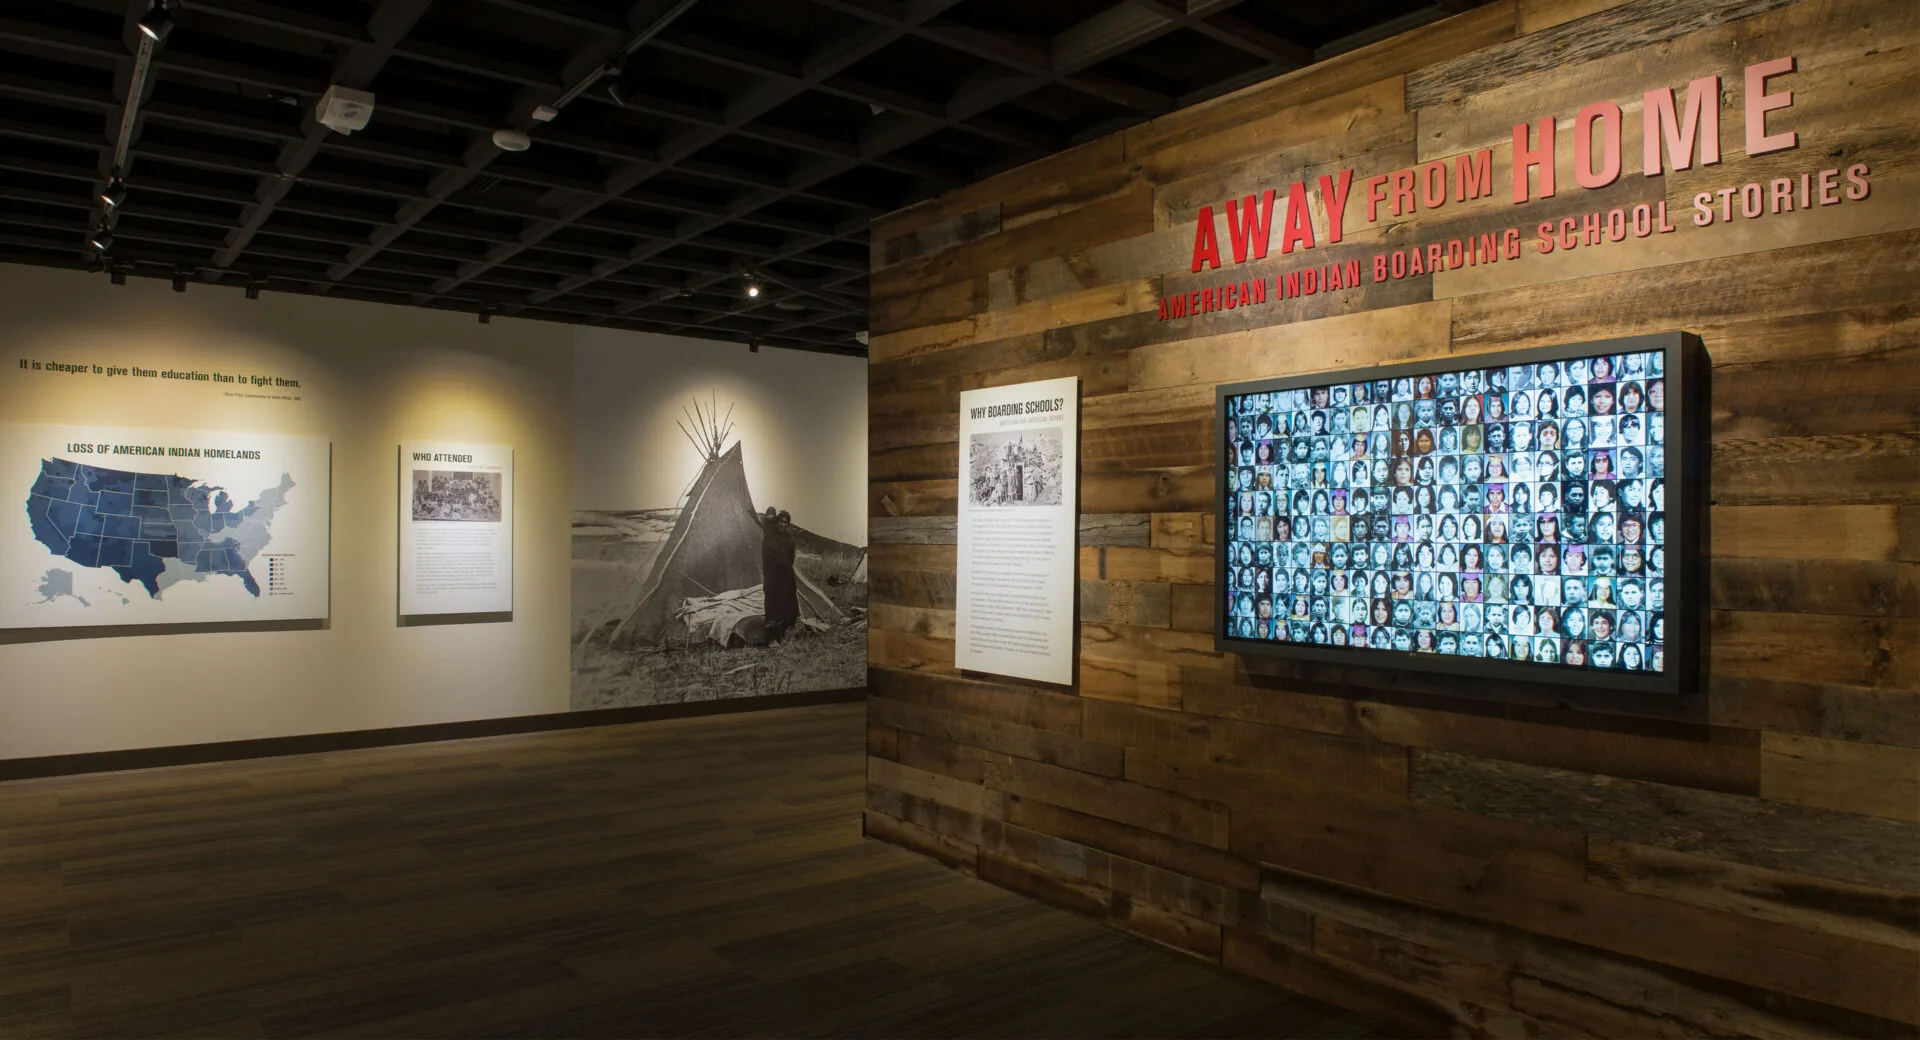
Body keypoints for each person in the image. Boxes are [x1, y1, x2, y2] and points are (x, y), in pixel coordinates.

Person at [761, 507, 800, 644]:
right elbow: (769, 557)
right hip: (772, 576)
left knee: (786, 604)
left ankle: (782, 635)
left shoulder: (789, 539)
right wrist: (784, 565)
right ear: (777, 522)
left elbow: (791, 557)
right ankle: (771, 639)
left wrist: (787, 567)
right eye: (781, 521)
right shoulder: (770, 537)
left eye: (786, 522)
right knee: (773, 606)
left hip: (785, 576)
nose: (783, 524)